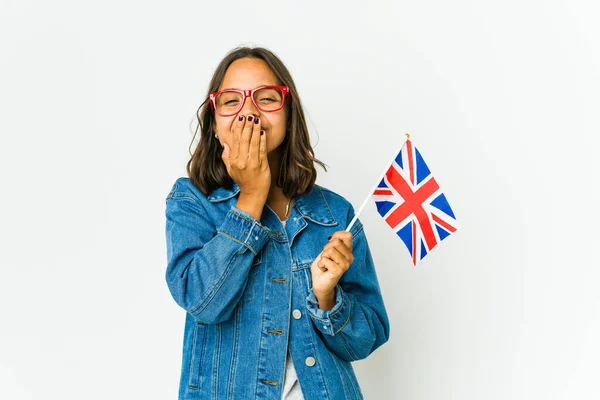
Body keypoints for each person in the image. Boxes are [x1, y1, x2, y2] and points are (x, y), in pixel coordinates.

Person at [164, 45, 390, 400]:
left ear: (289, 113)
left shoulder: (335, 213)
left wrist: (327, 298)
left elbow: (365, 339)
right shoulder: (192, 201)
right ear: (214, 122)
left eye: (266, 98)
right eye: (231, 101)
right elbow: (203, 301)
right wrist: (252, 195)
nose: (248, 113)